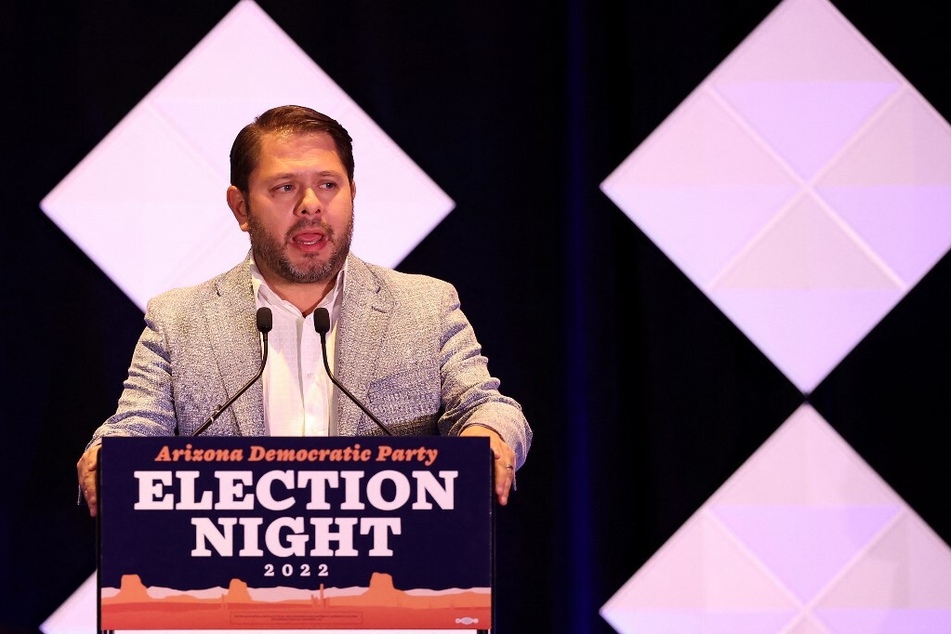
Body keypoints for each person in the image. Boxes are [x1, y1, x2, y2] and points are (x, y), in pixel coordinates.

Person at [76, 105, 531, 516]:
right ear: (241, 208)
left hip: (388, 589)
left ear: (352, 192)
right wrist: (108, 455)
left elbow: (487, 407)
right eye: (285, 187)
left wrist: (488, 438)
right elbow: (135, 430)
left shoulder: (426, 308)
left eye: (328, 185)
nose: (311, 205)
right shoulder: (180, 321)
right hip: (231, 590)